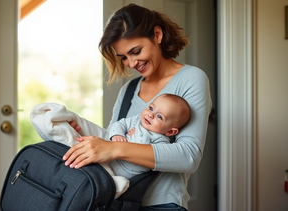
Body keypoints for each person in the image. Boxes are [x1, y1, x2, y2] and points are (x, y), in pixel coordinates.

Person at [63, 3, 212, 211]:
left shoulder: (191, 79)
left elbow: (188, 157)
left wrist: (114, 148)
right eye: (123, 57)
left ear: (157, 35)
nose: (131, 63)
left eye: (135, 51)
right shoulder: (128, 90)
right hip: (119, 203)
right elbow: (112, 140)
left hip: (162, 204)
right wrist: (82, 134)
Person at [30, 93, 190, 199]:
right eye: (150, 108)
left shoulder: (161, 142)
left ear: (170, 131)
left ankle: (108, 183)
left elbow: (155, 160)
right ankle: (52, 119)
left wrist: (121, 149)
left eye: (159, 116)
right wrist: (117, 135)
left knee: (113, 181)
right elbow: (118, 125)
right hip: (108, 148)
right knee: (83, 132)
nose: (150, 114)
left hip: (120, 172)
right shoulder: (135, 120)